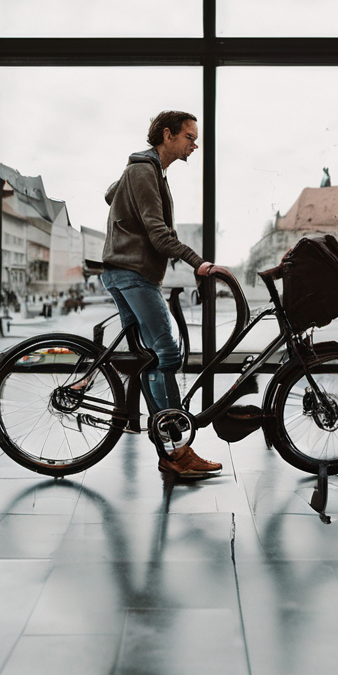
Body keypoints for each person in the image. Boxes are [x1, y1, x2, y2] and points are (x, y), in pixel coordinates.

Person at [101, 111, 226, 479]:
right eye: (189, 137)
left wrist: (128, 192)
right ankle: (176, 446)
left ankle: (169, 445)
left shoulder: (147, 170)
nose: (195, 144)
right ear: (167, 135)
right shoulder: (145, 170)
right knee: (167, 352)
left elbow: (110, 194)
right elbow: (158, 234)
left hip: (128, 271)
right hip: (133, 273)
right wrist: (198, 262)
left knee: (150, 356)